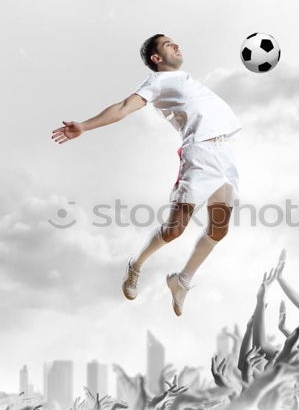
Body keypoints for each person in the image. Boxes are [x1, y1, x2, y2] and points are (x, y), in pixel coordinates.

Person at [51, 34, 242, 316]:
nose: (176, 45)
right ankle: (137, 264)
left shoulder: (188, 80)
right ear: (156, 58)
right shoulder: (157, 82)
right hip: (200, 154)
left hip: (225, 154)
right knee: (175, 229)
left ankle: (182, 281)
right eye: (168, 44)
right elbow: (122, 108)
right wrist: (85, 126)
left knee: (220, 228)